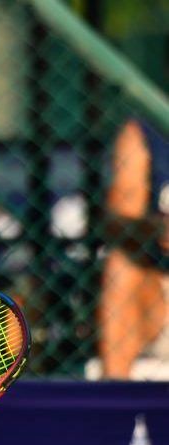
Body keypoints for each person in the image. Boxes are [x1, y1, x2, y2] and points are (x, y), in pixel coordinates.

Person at [99, 119, 168, 379]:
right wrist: (157, 229)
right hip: (160, 288)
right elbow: (120, 220)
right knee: (122, 263)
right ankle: (114, 400)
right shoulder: (145, 130)